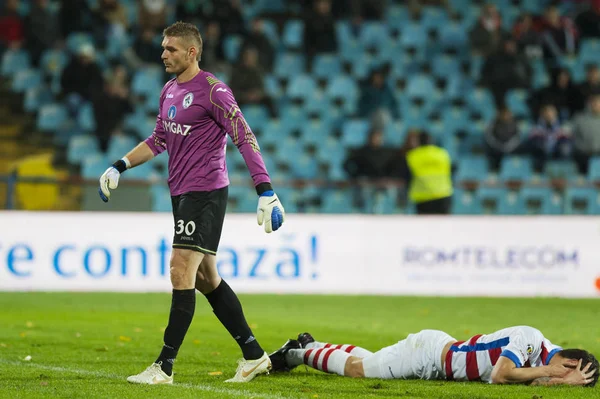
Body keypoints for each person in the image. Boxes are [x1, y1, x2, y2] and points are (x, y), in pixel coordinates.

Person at [98, 21, 285, 384]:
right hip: (181, 193)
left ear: (191, 52)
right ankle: (254, 355)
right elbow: (158, 139)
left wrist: (265, 189)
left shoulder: (214, 91)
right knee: (205, 277)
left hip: (206, 192)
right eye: (163, 47)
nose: (163, 54)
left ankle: (163, 367)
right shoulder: (169, 90)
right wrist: (119, 165)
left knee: (180, 268)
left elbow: (243, 136)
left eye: (170, 49)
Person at [269, 327, 598, 387]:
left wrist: (546, 375)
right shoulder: (531, 338)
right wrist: (546, 372)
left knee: (370, 359)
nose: (561, 387)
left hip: (435, 358)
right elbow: (501, 375)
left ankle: (313, 345)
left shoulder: (537, 357)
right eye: (569, 380)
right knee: (359, 371)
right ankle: (296, 354)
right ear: (567, 363)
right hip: (428, 356)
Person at [398, 131, 453, 215]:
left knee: (424, 227)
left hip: (423, 198)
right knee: (444, 226)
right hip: (444, 195)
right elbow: (450, 172)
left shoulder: (412, 156)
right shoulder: (442, 153)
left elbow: (405, 177)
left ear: (418, 141)